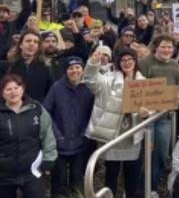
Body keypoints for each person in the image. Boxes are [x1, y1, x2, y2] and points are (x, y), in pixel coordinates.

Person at [84, 48, 148, 198]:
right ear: (119, 63)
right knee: (111, 174)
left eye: (130, 60)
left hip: (133, 135)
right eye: (123, 60)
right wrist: (93, 63)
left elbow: (151, 107)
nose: (127, 63)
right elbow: (90, 81)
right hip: (113, 134)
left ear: (135, 61)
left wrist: (146, 113)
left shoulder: (143, 82)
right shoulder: (108, 79)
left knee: (132, 173)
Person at [42, 56, 95, 198]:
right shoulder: (57, 87)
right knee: (58, 183)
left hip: (80, 143)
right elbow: (46, 112)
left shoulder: (89, 88)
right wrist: (57, 134)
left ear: (83, 70)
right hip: (59, 143)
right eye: (71, 68)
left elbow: (94, 114)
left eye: (78, 67)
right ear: (66, 71)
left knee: (77, 181)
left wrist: (86, 133)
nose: (74, 71)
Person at [139, 34, 179, 193]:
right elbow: (137, 89)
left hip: (165, 116)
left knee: (162, 152)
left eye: (170, 47)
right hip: (147, 116)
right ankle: (139, 189)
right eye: (163, 47)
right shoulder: (145, 63)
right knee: (144, 153)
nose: (167, 50)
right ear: (156, 47)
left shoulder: (175, 65)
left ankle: (151, 187)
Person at [0, 73, 58, 198]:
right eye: (8, 89)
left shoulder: (36, 109)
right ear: (2, 93)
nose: (13, 92)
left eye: (16, 88)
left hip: (32, 171)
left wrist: (49, 159)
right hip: (4, 173)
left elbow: (47, 135)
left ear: (22, 89)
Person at [0, 30, 53, 102]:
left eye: (35, 42)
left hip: (37, 109)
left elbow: (50, 92)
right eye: (28, 41)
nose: (32, 44)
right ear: (20, 45)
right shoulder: (7, 66)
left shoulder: (45, 68)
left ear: (38, 47)